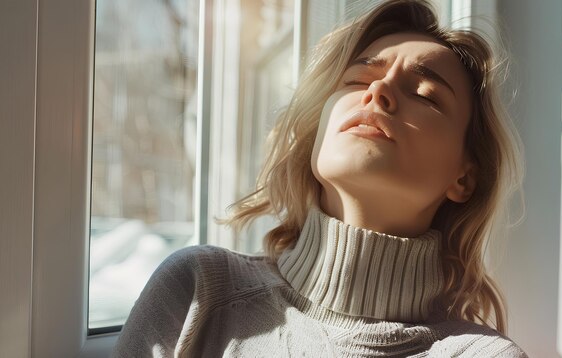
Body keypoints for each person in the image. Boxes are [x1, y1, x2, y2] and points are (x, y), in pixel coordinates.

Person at [113, 0, 527, 356]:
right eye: (358, 79)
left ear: (464, 178)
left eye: (424, 95)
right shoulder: (197, 292)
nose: (378, 91)